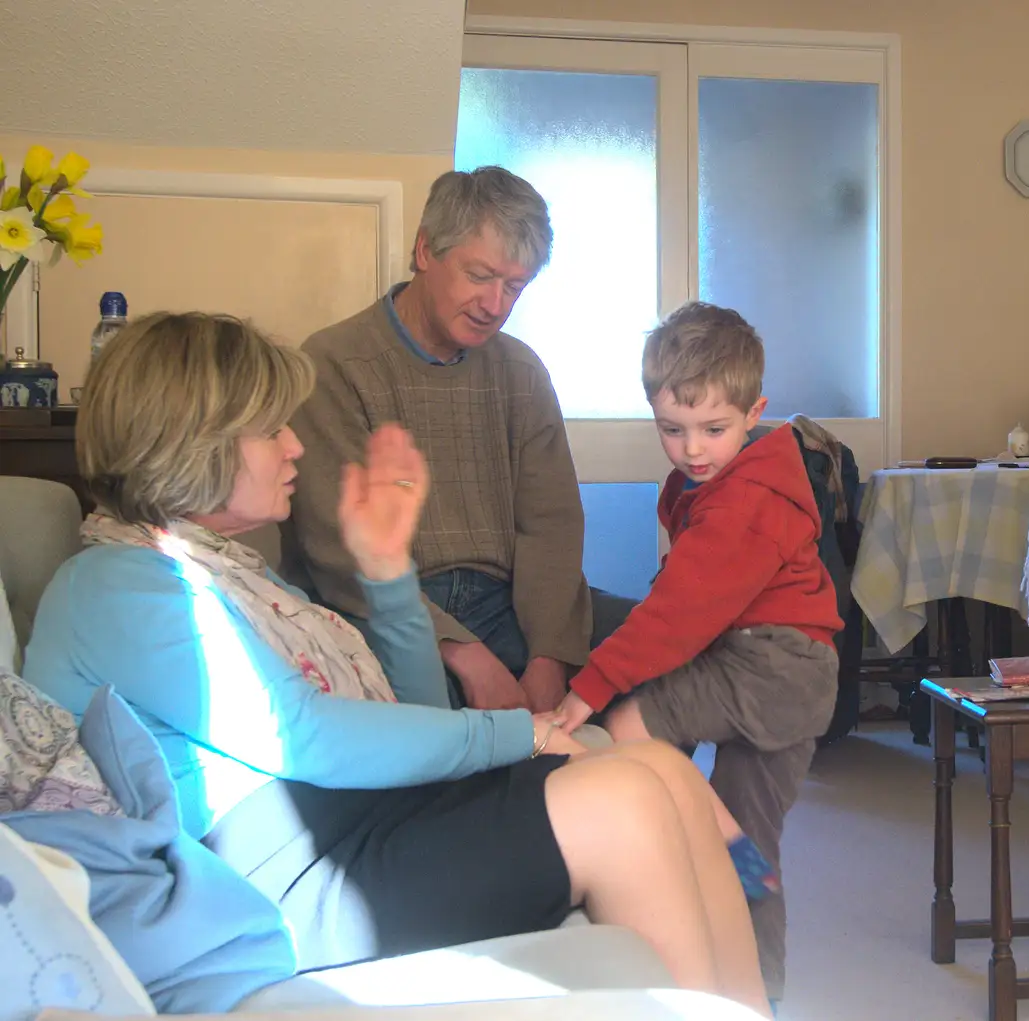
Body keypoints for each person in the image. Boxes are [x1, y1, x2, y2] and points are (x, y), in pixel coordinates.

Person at [22, 311, 773, 1018]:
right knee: (624, 804)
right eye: (270, 428)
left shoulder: (227, 572)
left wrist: (388, 578)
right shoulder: (119, 583)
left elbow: (409, 715)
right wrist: (524, 733)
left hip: (350, 815)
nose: (296, 446)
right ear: (194, 442)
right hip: (275, 874)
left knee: (661, 772)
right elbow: (305, 735)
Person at [544, 301, 843, 1000]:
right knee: (756, 845)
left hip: (770, 663)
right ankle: (758, 995)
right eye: (672, 430)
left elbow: (677, 615)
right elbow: (684, 589)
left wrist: (583, 689)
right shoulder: (716, 481)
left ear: (754, 412)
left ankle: (701, 849)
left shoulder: (747, 500)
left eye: (714, 428)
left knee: (625, 724)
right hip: (796, 672)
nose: (692, 449)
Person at [286, 165, 630, 715]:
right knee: (442, 715)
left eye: (514, 286)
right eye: (480, 275)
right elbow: (336, 548)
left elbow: (551, 525)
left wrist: (549, 656)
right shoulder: (334, 362)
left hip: (511, 603)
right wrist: (464, 653)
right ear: (426, 251)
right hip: (395, 609)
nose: (495, 304)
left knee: (670, 654)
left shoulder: (521, 371)